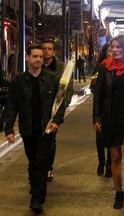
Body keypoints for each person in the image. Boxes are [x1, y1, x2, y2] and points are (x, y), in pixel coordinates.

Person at [4, 43, 66, 214]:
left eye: (40, 56)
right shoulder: (18, 81)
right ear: (27, 58)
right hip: (28, 129)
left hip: (46, 128)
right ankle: (36, 188)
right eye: (35, 56)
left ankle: (37, 198)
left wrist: (57, 121)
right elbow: (11, 106)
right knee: (33, 161)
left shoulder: (52, 78)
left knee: (40, 161)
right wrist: (8, 129)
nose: (39, 59)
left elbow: (59, 102)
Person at [93, 35, 124, 209]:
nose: (115, 50)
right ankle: (119, 192)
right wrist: (96, 118)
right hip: (110, 117)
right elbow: (98, 94)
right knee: (115, 157)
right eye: (113, 47)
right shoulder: (104, 68)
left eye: (119, 47)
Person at [41, 39, 73, 182]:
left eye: (49, 49)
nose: (46, 51)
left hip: (53, 110)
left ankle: (48, 169)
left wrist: (61, 109)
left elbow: (67, 90)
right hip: (37, 110)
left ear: (54, 51)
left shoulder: (61, 67)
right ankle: (37, 168)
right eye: (44, 48)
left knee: (49, 141)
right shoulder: (36, 64)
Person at [90, 43, 112, 177]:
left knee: (112, 139)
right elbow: (93, 86)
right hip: (102, 107)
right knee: (100, 137)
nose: (112, 52)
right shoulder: (100, 67)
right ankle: (101, 161)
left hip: (113, 108)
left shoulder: (119, 67)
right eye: (110, 50)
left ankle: (109, 164)